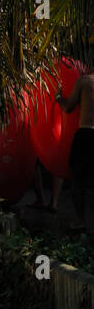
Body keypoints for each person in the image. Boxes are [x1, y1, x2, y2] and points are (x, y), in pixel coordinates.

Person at [55, 61, 94, 227]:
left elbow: (69, 107)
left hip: (86, 133)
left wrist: (58, 98)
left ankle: (81, 220)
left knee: (77, 178)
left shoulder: (85, 81)